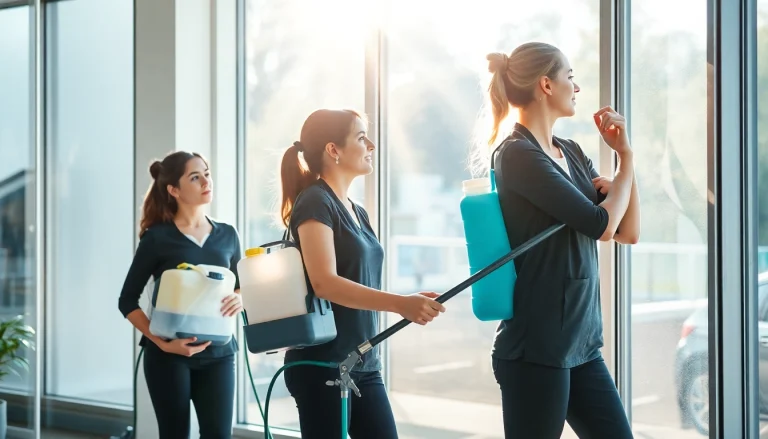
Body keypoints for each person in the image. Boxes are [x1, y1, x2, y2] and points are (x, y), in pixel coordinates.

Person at [479, 42, 641, 438]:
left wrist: (626, 162)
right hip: (536, 348)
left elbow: (627, 232)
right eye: (570, 76)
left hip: (581, 345)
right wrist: (624, 164)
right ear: (546, 85)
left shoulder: (571, 151)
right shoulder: (517, 154)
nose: (577, 87)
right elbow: (602, 224)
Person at [279, 109, 446, 439]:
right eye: (360, 137)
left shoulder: (358, 211)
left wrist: (407, 302)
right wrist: (400, 303)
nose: (371, 145)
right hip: (322, 365)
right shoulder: (315, 202)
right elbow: (324, 283)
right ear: (333, 150)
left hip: (363, 362)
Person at [117, 151, 243, 439]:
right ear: (173, 190)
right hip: (168, 358)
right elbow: (127, 301)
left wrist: (240, 297)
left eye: (207, 174)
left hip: (220, 355)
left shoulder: (228, 234)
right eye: (195, 177)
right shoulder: (156, 238)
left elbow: (242, 284)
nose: (206, 182)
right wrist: (163, 344)